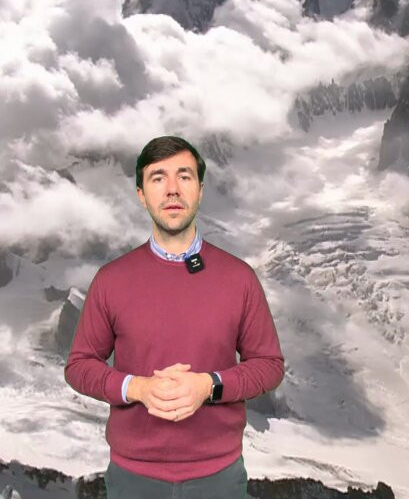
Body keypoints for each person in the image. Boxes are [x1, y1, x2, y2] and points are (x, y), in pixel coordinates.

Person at [65, 135, 284, 499]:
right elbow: (79, 366)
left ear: (200, 190)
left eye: (184, 176)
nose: (172, 189)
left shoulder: (239, 278)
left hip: (220, 478)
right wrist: (137, 388)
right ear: (141, 194)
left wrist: (209, 386)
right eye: (158, 178)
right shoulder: (111, 280)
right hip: (132, 480)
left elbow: (269, 365)